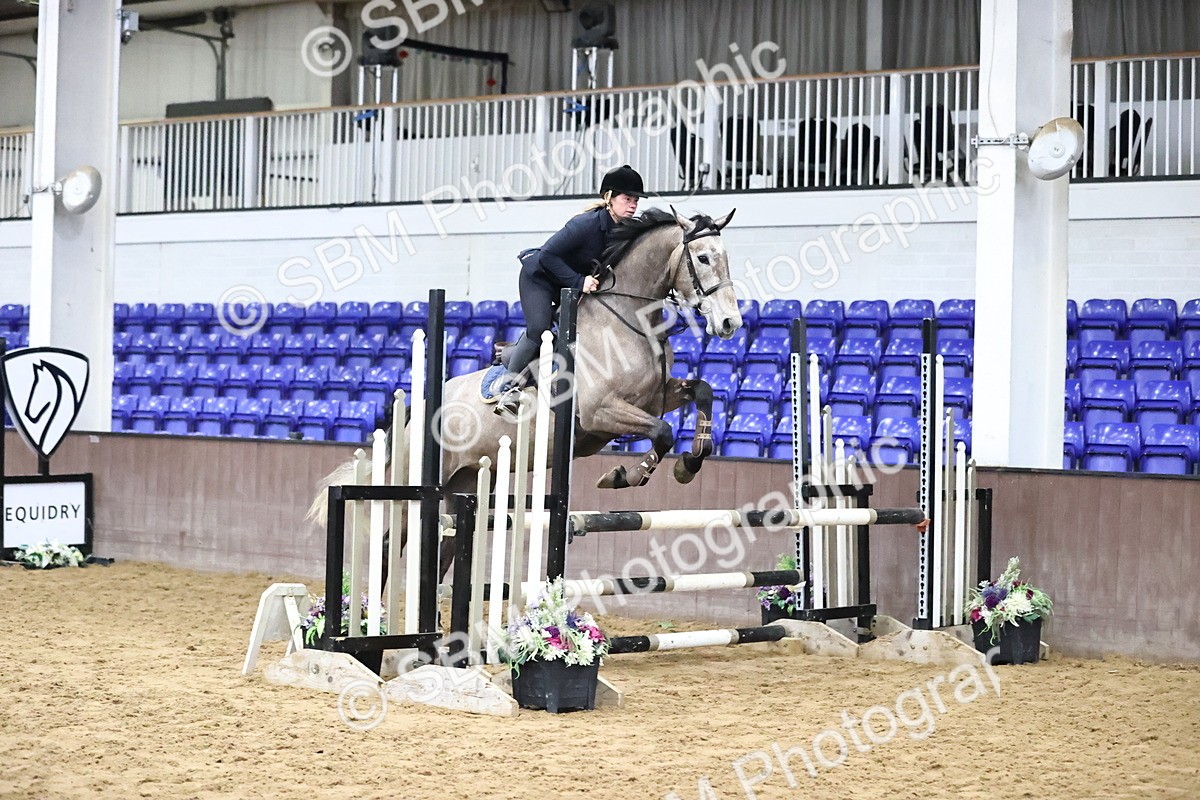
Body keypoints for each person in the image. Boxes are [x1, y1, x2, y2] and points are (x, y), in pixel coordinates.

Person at [490, 164, 648, 418]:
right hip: (540, 279)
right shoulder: (585, 224)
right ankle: (509, 388)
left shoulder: (625, 230)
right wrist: (578, 281)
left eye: (636, 200)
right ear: (608, 198)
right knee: (540, 329)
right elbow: (548, 255)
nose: (633, 205)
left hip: (572, 286)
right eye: (627, 199)